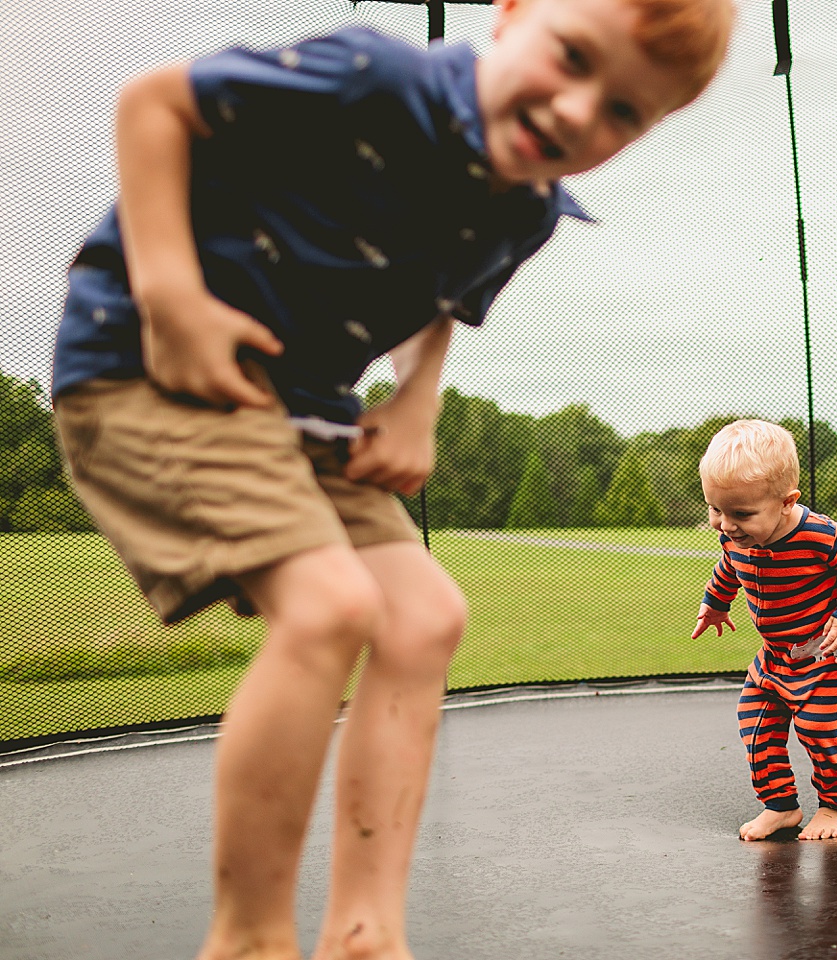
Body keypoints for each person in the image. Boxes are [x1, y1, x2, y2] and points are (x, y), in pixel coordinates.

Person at [48, 0, 734, 957]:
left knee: (423, 616)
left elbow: (439, 303)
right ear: (511, 15)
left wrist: (417, 401)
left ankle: (367, 932)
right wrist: (170, 297)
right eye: (571, 57)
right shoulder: (376, 79)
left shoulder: (528, 210)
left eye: (624, 112)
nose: (580, 112)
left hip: (302, 411)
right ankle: (246, 939)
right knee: (331, 607)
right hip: (151, 370)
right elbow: (155, 102)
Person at [691, 420, 837, 841]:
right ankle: (780, 805)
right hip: (774, 658)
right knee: (754, 722)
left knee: (819, 729)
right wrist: (715, 603)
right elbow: (729, 568)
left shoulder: (817, 534)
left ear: (787, 502)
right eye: (715, 509)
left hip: (825, 655)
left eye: (742, 514)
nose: (725, 525)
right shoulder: (734, 537)